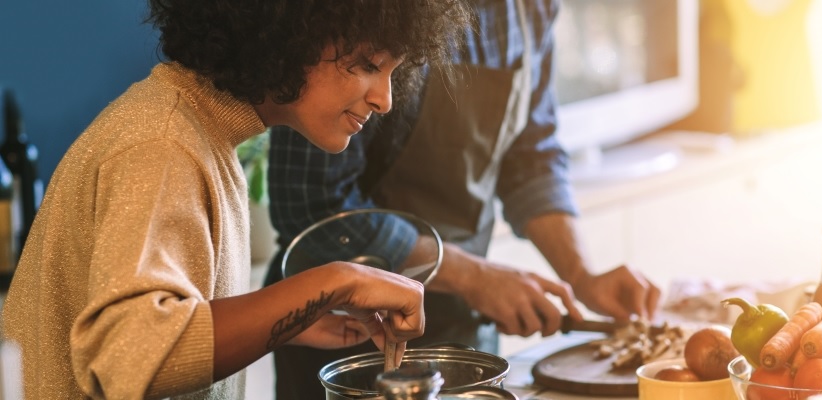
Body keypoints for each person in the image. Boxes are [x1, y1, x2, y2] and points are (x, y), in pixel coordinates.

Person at [0, 1, 472, 399]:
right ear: (290, 32)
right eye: (369, 65)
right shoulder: (162, 142)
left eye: (394, 72)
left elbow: (175, 315)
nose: (386, 99)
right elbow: (132, 356)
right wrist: (337, 281)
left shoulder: (199, 131)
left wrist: (285, 320)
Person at [265, 0, 663, 396]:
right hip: (348, 340)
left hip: (463, 331)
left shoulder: (532, 10)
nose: (384, 98)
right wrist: (472, 277)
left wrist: (581, 275)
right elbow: (312, 204)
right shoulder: (365, 15)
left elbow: (531, 157)